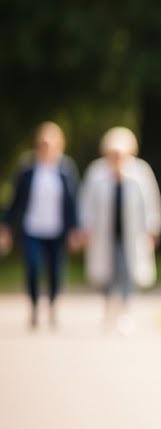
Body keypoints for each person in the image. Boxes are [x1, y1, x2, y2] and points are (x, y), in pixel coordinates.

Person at [78, 126, 161, 328]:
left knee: (127, 271)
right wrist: (85, 228)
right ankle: (108, 307)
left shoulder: (140, 172)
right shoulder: (96, 172)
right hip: (104, 235)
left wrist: (152, 230)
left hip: (131, 235)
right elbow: (86, 203)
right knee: (106, 272)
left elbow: (151, 203)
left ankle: (125, 310)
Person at [0, 122, 81, 329]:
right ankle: (35, 305)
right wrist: (6, 227)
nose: (46, 147)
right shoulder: (27, 169)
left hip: (57, 230)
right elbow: (15, 201)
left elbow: (73, 202)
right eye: (43, 143)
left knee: (55, 271)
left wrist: (75, 230)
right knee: (33, 268)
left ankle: (53, 303)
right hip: (32, 229)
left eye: (50, 143)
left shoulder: (65, 169)